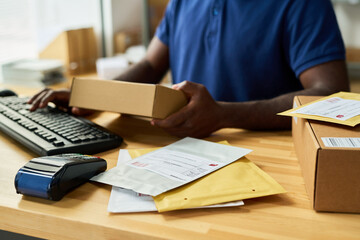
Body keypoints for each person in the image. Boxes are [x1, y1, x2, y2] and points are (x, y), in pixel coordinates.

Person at [29, 0, 349, 138]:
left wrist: (224, 114)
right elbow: (151, 64)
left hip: (261, 155)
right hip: (179, 150)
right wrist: (90, 93)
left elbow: (329, 93)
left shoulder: (303, 4)